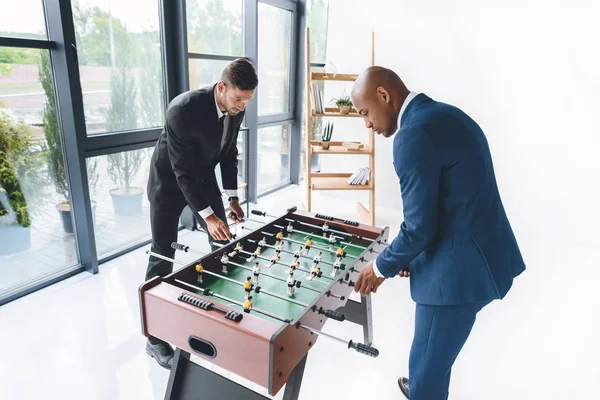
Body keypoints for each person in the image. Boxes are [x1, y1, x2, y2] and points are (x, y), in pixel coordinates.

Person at [351, 66, 525, 400]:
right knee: (430, 359)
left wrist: (378, 268)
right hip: (486, 255)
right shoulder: (447, 114)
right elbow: (451, 202)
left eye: (365, 113)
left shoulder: (412, 136)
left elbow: (418, 228)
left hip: (457, 278)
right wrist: (410, 258)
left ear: (384, 95)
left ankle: (423, 389)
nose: (367, 124)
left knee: (427, 367)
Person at [144, 58, 258, 369]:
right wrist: (208, 216)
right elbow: (181, 171)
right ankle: (154, 338)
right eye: (237, 99)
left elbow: (229, 152)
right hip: (169, 184)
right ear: (222, 88)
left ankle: (221, 317)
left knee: (223, 245)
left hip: (204, 179)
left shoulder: (238, 106)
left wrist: (233, 199)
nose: (241, 107)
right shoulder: (182, 109)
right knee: (163, 254)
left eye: (247, 101)